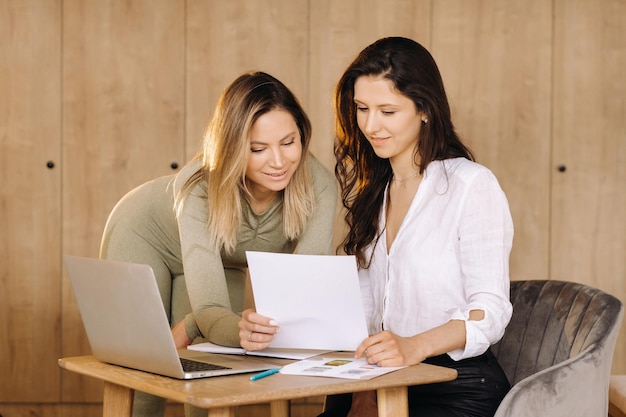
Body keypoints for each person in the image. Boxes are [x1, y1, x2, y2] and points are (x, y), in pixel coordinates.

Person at [100, 71, 337, 417]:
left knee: (209, 379)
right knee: (143, 381)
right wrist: (204, 322)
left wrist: (226, 326)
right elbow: (211, 310)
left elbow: (303, 294)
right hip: (146, 234)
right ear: (232, 147)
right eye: (258, 149)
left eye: (289, 142)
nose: (279, 161)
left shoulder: (319, 187)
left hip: (221, 258)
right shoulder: (197, 186)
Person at [320, 37, 514, 417]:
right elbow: (364, 305)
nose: (370, 125)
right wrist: (364, 392)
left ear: (424, 109)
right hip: (378, 377)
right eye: (362, 108)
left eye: (388, 111)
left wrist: (413, 346)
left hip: (456, 384)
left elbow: (490, 310)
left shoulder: (471, 185)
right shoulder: (374, 193)